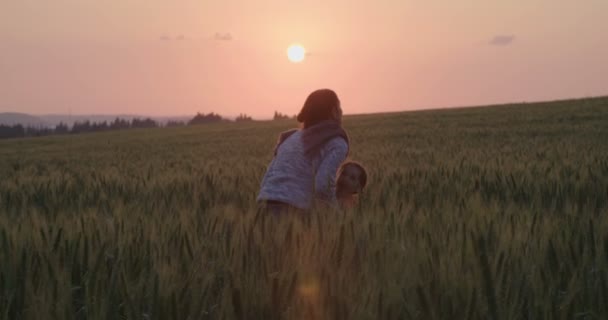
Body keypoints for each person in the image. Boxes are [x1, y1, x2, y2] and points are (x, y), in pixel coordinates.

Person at [257, 89, 349, 214]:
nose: (341, 111)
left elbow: (268, 177)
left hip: (266, 206)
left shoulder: (290, 138)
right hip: (296, 210)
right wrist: (337, 214)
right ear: (334, 112)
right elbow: (323, 186)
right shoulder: (336, 142)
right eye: (339, 107)